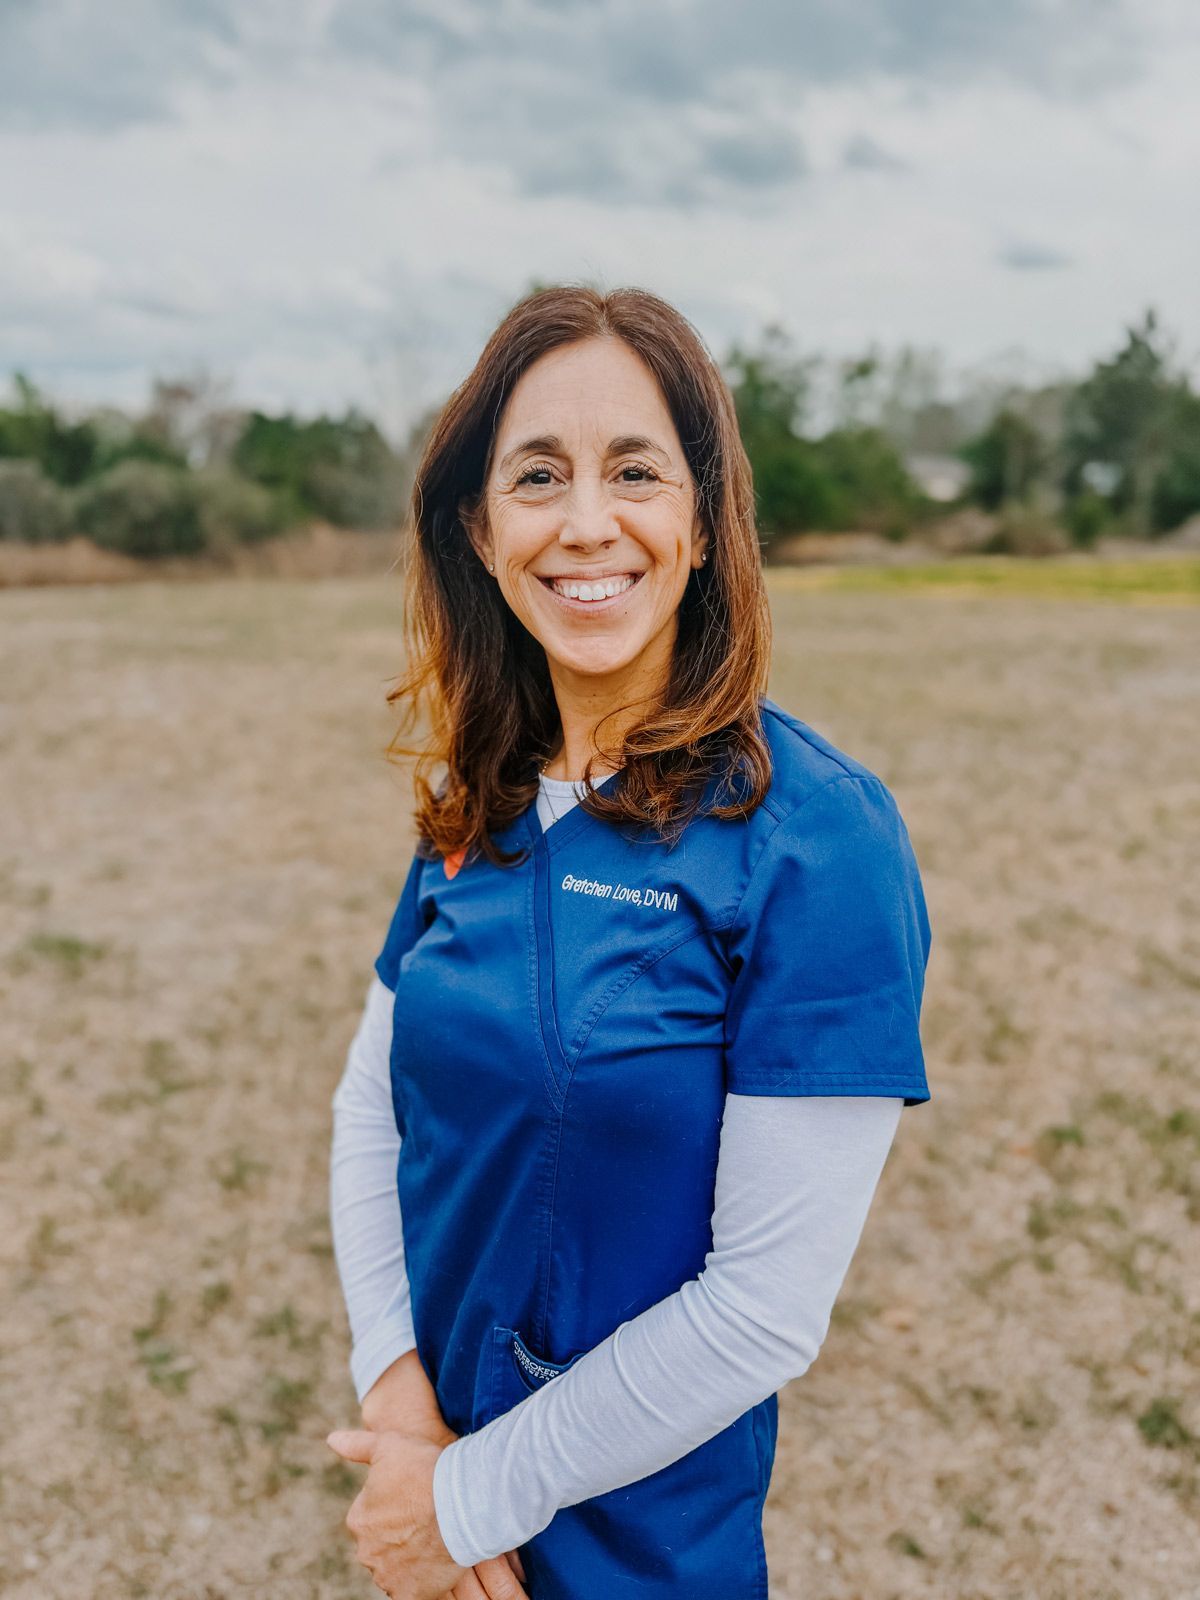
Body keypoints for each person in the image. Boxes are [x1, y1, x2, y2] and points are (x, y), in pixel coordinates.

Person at [325, 284, 933, 1600]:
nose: (586, 521)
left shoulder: (819, 842)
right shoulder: (480, 798)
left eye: (635, 470)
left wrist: (469, 1497)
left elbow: (763, 1305)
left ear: (704, 522)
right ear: (479, 531)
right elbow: (372, 1106)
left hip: (640, 1561)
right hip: (431, 1540)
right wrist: (404, 1415)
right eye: (537, 475)